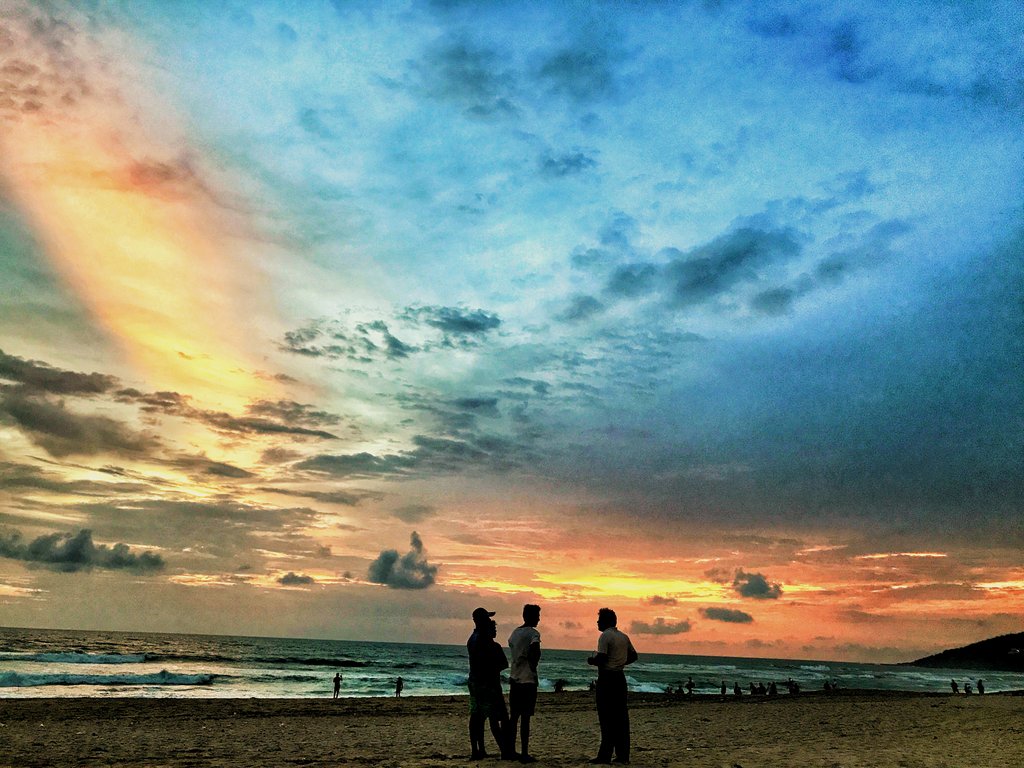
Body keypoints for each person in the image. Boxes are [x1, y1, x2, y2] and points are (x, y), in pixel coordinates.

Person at [587, 607, 638, 765]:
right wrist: (621, 662)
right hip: (619, 678)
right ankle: (623, 755)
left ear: (605, 621)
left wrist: (592, 660)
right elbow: (634, 655)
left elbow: (602, 658)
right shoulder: (623, 637)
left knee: (606, 717)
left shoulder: (605, 636)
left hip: (607, 678)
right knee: (621, 718)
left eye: (599, 620)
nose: (597, 622)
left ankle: (605, 755)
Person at [468, 607, 513, 760]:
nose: (489, 622)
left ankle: (478, 750)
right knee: (496, 719)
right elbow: (497, 665)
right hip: (488, 684)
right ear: (481, 621)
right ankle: (505, 751)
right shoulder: (486, 642)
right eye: (487, 619)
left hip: (475, 682)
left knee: (477, 717)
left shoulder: (473, 639)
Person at [507, 604, 542, 763]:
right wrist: (533, 662)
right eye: (537, 616)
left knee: (514, 717)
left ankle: (511, 750)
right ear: (532, 616)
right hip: (528, 680)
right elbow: (535, 653)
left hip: (514, 678)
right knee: (525, 718)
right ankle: (524, 752)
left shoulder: (514, 633)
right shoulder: (533, 634)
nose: (539, 619)